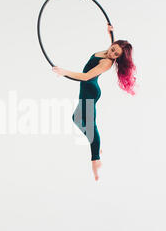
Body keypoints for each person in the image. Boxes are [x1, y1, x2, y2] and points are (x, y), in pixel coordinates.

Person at [52, 24, 136, 181]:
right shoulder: (109, 50)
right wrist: (110, 33)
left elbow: (86, 76)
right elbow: (114, 46)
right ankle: (94, 142)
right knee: (76, 119)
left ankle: (96, 160)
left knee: (91, 125)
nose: (112, 54)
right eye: (113, 49)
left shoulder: (106, 63)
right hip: (86, 90)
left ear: (118, 57)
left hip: (90, 91)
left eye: (116, 54)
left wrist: (64, 72)